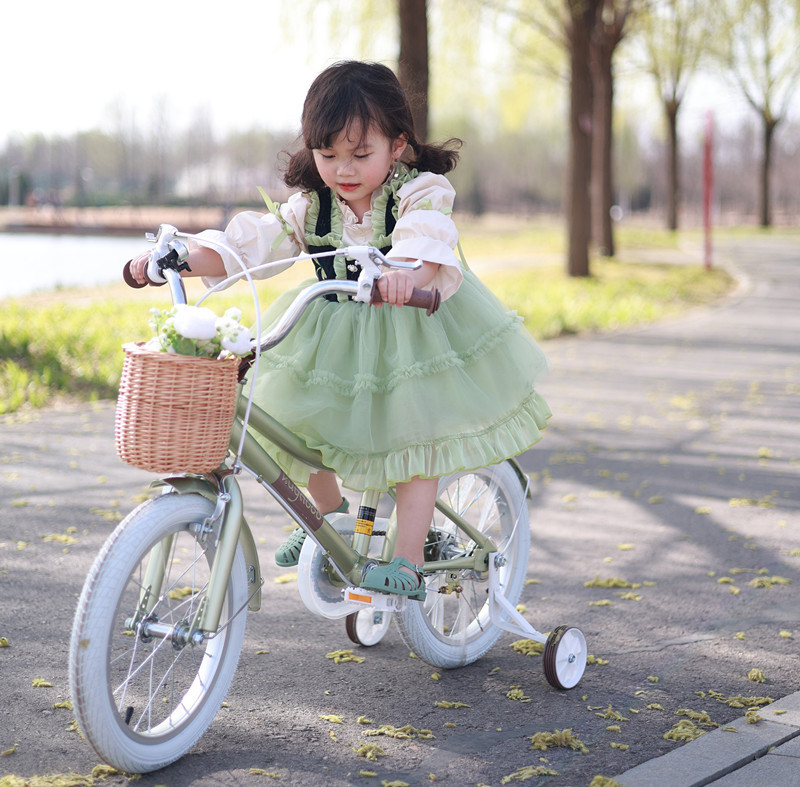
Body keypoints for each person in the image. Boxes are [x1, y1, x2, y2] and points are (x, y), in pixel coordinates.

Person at [128, 60, 551, 599]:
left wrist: (405, 276)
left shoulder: (419, 192)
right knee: (291, 416)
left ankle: (408, 560)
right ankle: (329, 515)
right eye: (327, 155)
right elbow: (248, 247)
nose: (342, 170)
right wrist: (179, 258)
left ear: (397, 146)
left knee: (416, 440)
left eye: (360, 154)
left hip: (411, 329)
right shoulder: (311, 208)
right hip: (332, 328)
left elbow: (426, 242)